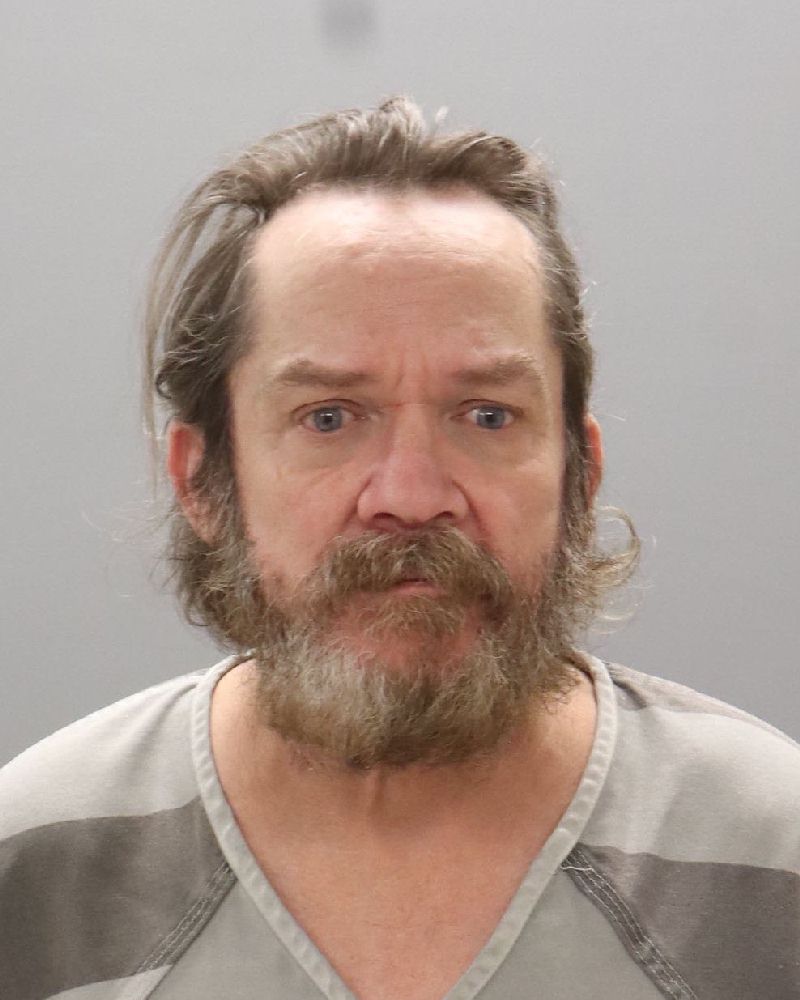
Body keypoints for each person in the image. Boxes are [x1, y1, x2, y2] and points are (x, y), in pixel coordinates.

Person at [1, 98, 797, 1000]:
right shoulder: (37, 868)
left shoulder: (772, 859)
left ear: (579, 473)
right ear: (202, 481)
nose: (412, 498)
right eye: (329, 418)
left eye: (487, 415)